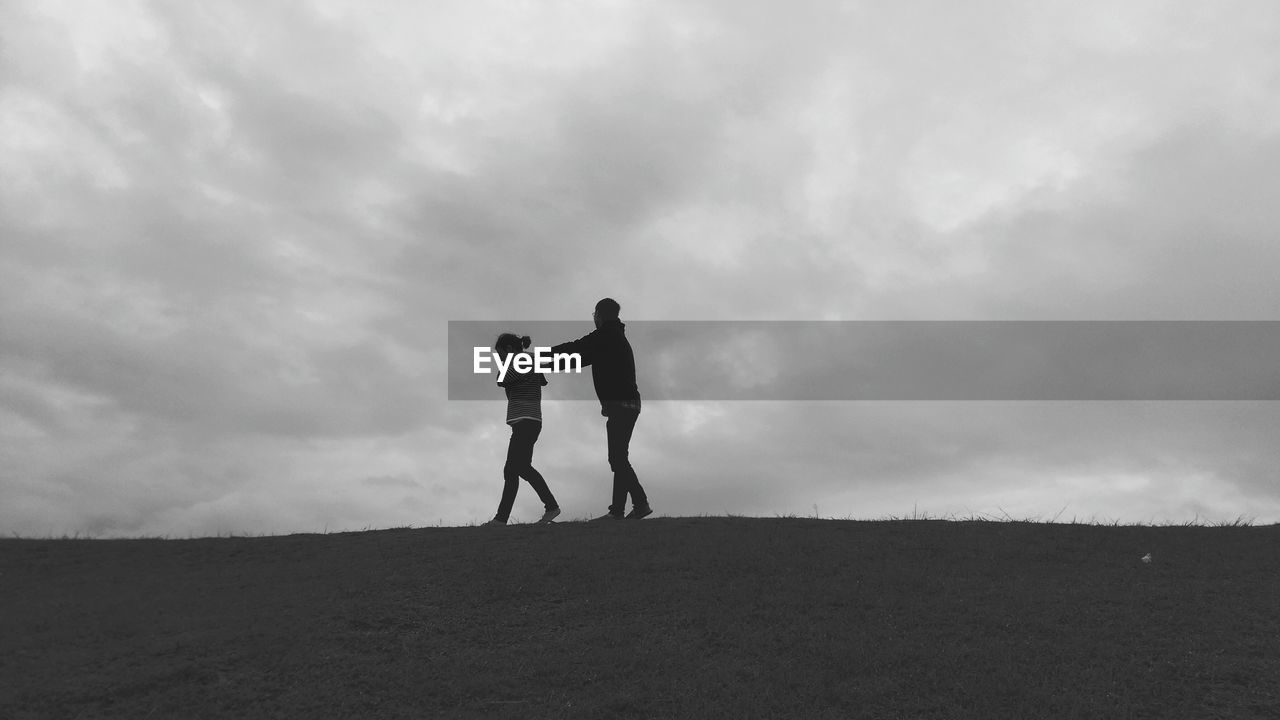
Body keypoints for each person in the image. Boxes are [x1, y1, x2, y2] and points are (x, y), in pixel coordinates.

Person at [551, 298, 652, 520]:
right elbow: (575, 358)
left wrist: (536, 359)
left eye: (594, 314)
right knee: (619, 458)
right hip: (628, 404)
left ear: (599, 314)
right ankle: (620, 510)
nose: (593, 318)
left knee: (617, 459)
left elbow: (573, 349)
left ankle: (638, 504)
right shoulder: (613, 337)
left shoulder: (605, 336)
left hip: (621, 404)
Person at [484, 334, 561, 526]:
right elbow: (540, 379)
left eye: (501, 355)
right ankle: (502, 518)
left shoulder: (522, 360)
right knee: (515, 469)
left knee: (516, 468)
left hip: (527, 420)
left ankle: (549, 507)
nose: (500, 360)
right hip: (526, 421)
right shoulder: (528, 359)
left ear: (509, 349)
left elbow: (500, 379)